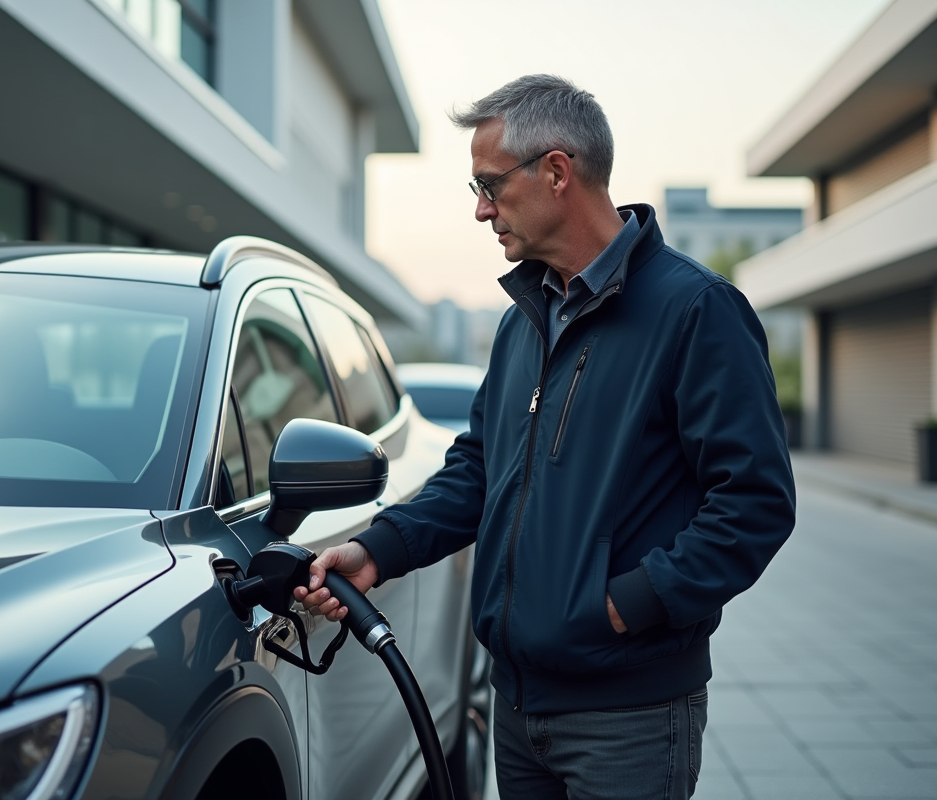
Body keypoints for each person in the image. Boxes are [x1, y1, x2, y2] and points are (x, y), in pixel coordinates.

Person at [294, 75, 795, 799]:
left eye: (490, 184)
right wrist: (380, 549)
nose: (480, 208)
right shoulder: (523, 321)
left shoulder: (696, 311)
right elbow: (479, 470)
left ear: (557, 171)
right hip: (519, 707)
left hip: (629, 715)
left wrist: (627, 605)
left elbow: (755, 502)